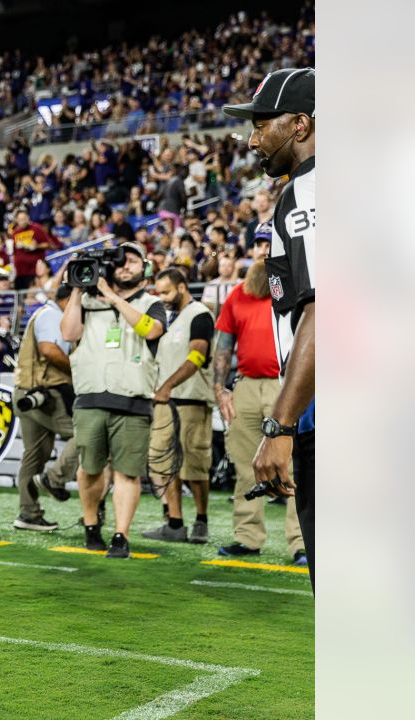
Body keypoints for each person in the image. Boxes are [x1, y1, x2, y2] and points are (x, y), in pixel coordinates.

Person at [223, 68, 316, 583]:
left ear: (300, 125)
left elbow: (326, 314)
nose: (253, 139)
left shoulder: (311, 190)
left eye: (263, 125)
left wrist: (279, 427)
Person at [60, 243, 166, 558]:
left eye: (133, 261)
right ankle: (91, 525)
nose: (125, 266)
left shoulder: (152, 303)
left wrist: (113, 296)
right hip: (90, 397)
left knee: (127, 472)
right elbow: (68, 333)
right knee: (89, 468)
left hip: (133, 400)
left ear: (145, 268)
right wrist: (78, 290)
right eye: (120, 262)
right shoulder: (87, 301)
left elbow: (150, 330)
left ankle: (121, 535)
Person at [211, 232, 306, 564]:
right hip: (248, 385)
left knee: (295, 466)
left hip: (289, 384)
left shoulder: (299, 285)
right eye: (258, 244)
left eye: (270, 244)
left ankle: (301, 543)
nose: (264, 250)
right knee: (244, 465)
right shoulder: (239, 293)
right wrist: (219, 389)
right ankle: (247, 538)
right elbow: (223, 346)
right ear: (250, 250)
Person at [141, 268, 215, 544]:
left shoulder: (199, 315)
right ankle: (175, 522)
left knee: (194, 466)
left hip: (191, 401)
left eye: (167, 292)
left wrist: (167, 385)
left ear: (182, 287)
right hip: (164, 402)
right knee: (163, 463)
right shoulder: (168, 320)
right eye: (159, 293)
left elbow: (198, 356)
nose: (162, 298)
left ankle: (201, 520)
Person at [14, 283, 78, 531]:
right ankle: (54, 479)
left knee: (34, 456)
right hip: (42, 395)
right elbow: (49, 350)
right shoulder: (52, 314)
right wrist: (78, 370)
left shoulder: (45, 313)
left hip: (28, 392)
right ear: (69, 300)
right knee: (85, 434)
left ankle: (28, 514)